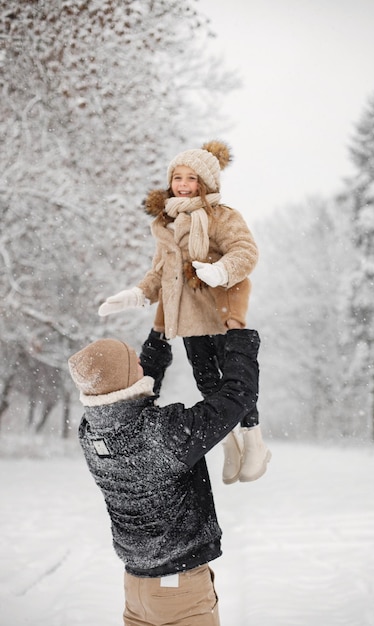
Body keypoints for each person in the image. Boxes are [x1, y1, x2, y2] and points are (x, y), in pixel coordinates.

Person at [98, 140, 271, 484]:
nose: (183, 184)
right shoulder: (166, 223)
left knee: (234, 380)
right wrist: (136, 294)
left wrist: (220, 270)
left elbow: (245, 251)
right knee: (207, 381)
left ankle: (254, 439)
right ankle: (229, 443)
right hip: (189, 315)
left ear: (205, 183)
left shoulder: (222, 216)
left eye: (191, 178)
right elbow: (160, 273)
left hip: (222, 310)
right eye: (177, 177)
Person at [68, 327, 261, 626]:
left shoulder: (92, 433)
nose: (141, 364)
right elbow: (238, 395)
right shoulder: (165, 434)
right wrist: (239, 337)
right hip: (178, 590)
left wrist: (159, 336)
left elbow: (126, 398)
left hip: (136, 589)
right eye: (134, 361)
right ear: (125, 377)